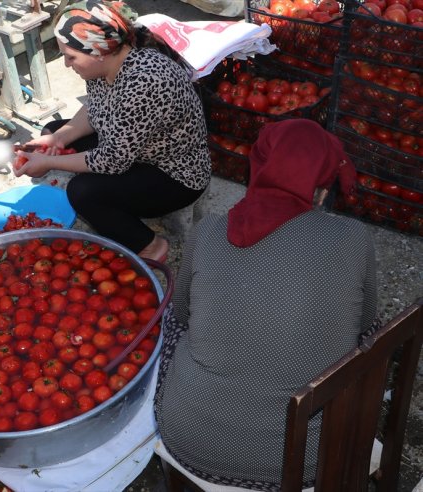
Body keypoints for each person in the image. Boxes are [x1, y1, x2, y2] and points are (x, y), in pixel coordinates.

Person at [153, 119, 378, 489]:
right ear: (322, 190)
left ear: (258, 170)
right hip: (311, 461)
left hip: (189, 440)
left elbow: (180, 315)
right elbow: (365, 324)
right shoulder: (352, 237)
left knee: (176, 323)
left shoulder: (208, 229)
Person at [12, 0, 211, 262]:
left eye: (70, 57)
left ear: (99, 52)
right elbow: (96, 110)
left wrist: (49, 161)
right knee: (53, 129)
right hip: (138, 150)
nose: (66, 65)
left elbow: (112, 161)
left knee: (83, 192)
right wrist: (58, 139)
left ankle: (150, 245)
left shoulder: (144, 81)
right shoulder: (104, 65)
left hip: (173, 174)